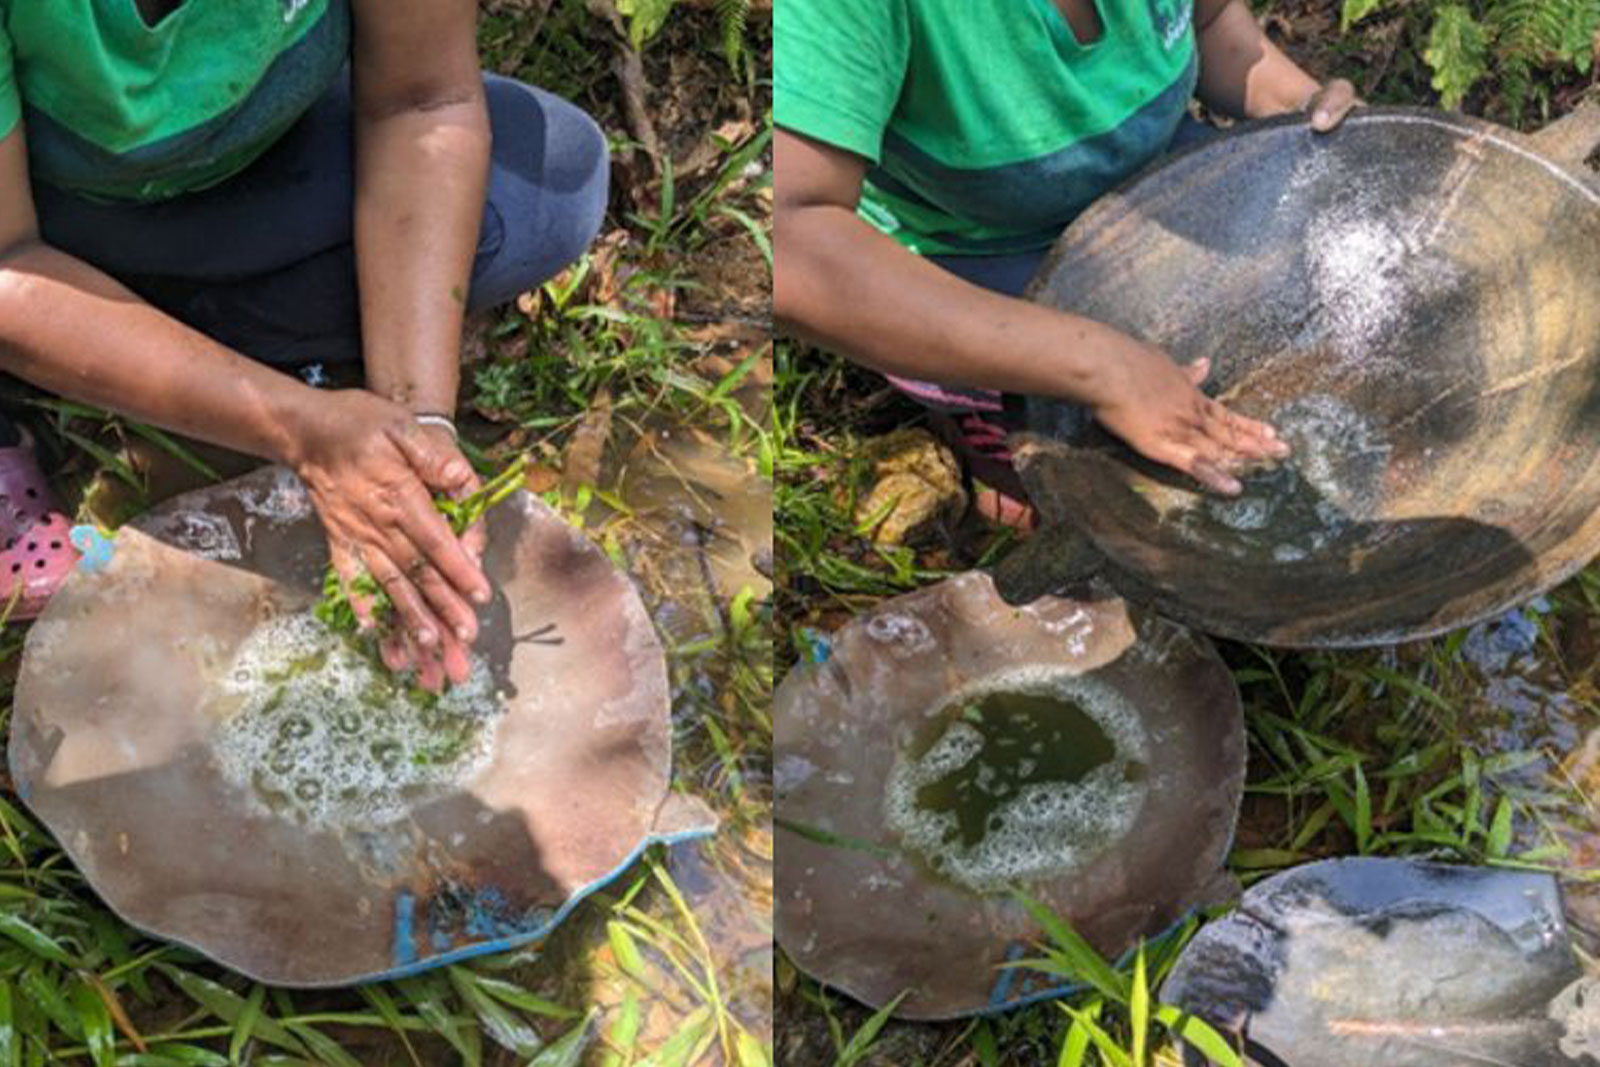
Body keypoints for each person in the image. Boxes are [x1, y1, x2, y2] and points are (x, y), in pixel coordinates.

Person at [0, 0, 609, 688]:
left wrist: (417, 423)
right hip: (42, 211)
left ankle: (127, 338)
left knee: (545, 184)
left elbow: (423, 101)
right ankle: (88, 349)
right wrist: (298, 426)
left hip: (243, 167)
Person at [773, 0, 1359, 525]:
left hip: (1158, 179)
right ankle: (984, 423)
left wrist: (1299, 105)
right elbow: (797, 247)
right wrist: (1103, 368)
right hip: (982, 255)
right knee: (1084, 488)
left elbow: (1211, 23)